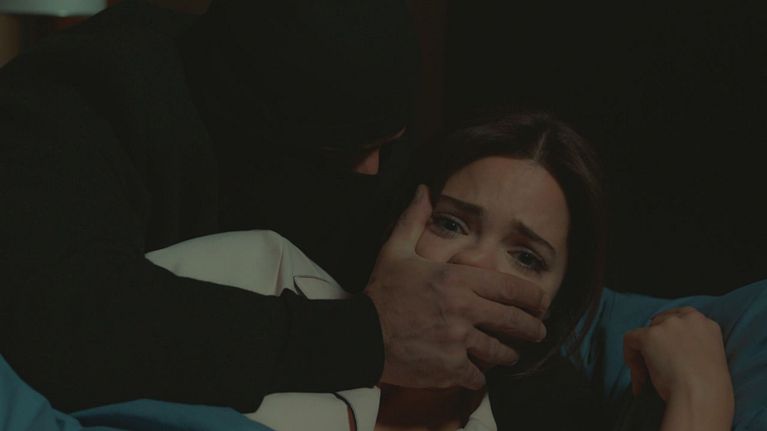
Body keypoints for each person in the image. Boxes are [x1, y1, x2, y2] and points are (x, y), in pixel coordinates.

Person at [0, 0, 549, 413]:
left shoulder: (358, 145)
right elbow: (65, 319)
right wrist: (362, 338)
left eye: (387, 145)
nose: (372, 174)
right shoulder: (78, 98)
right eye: (342, 153)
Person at [135, 112, 735, 431]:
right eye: (451, 223)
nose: (472, 263)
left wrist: (700, 399)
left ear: (554, 306)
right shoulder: (258, 270)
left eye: (525, 256)